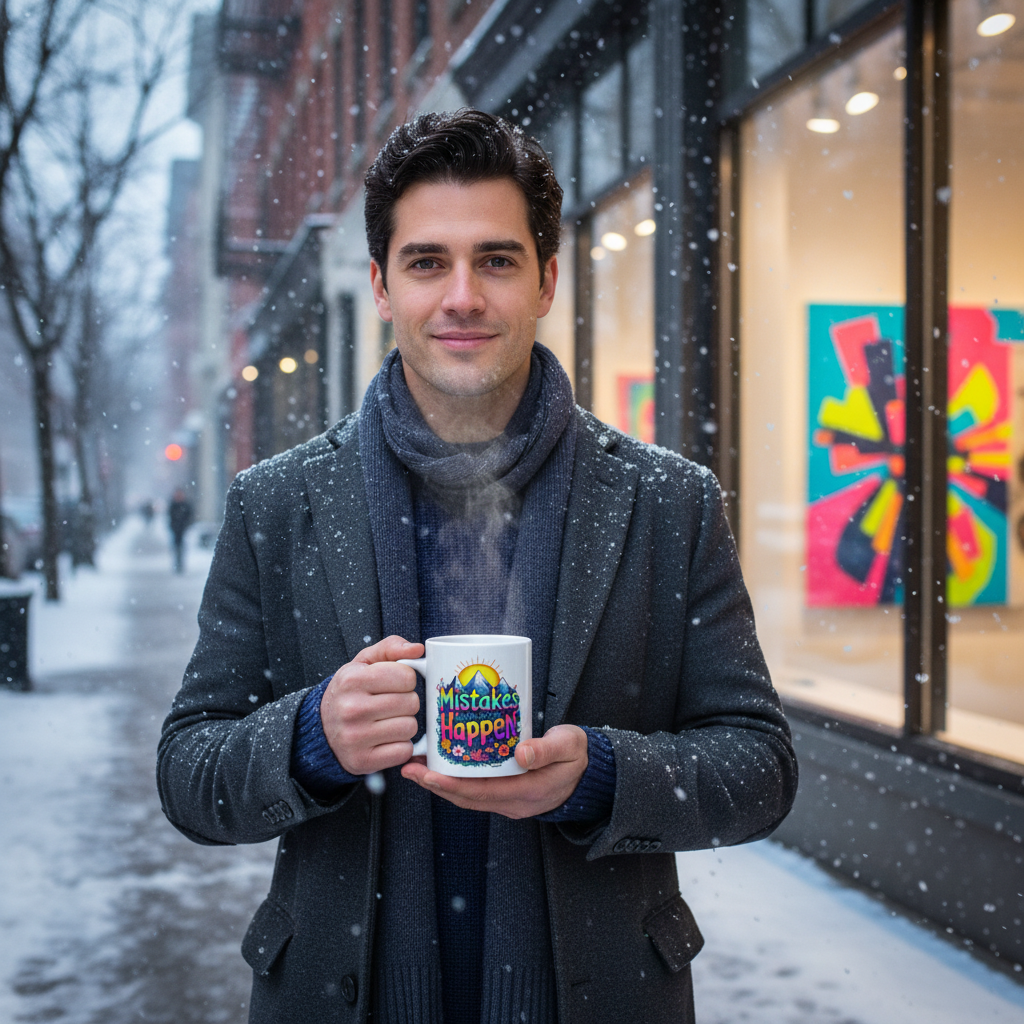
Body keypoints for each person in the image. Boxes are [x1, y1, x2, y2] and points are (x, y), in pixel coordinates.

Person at [157, 109, 797, 1024]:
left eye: (495, 259)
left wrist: (603, 776)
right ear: (381, 286)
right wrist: (310, 737)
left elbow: (761, 767)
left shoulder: (667, 501)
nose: (462, 296)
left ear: (545, 279)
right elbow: (189, 770)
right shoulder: (279, 502)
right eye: (427, 263)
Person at [167, 488, 193, 574]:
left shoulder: (185, 505)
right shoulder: (173, 505)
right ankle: (177, 563)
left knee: (181, 546)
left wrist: (186, 524)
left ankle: (180, 563)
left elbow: (189, 515)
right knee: (176, 546)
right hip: (175, 529)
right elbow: (170, 516)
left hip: (182, 528)